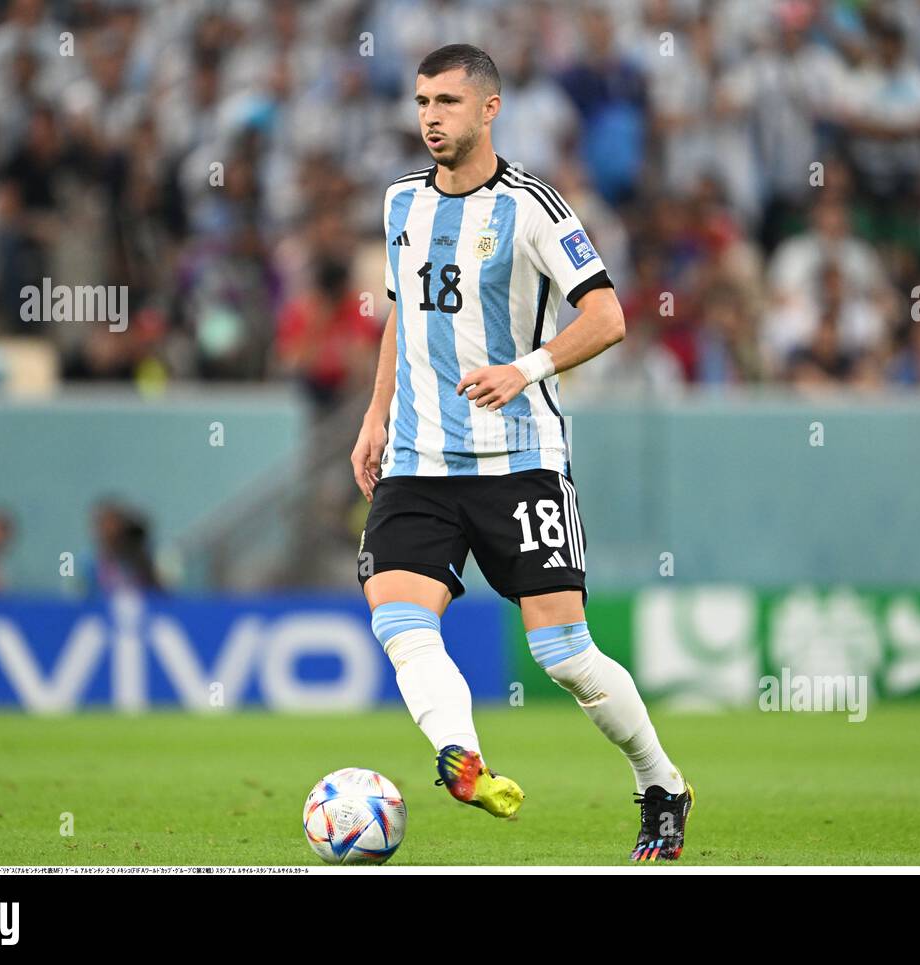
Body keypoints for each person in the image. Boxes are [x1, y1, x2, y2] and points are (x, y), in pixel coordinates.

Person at [348, 45, 691, 862]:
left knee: (562, 653)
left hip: (519, 458)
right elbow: (405, 310)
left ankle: (660, 781)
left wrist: (525, 367)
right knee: (399, 617)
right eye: (423, 101)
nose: (431, 117)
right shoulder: (400, 202)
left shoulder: (533, 205)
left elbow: (607, 316)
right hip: (419, 458)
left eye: (449, 103)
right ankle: (460, 753)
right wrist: (375, 411)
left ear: (490, 110)